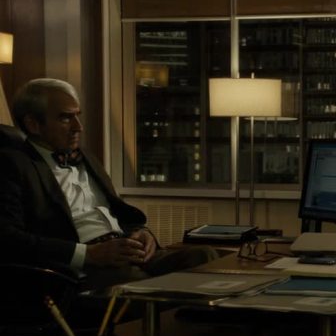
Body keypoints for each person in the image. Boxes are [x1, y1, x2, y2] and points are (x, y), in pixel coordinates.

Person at [0, 78, 216, 319]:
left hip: (125, 250)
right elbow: (7, 238)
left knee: (204, 257)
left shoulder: (85, 157)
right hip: (83, 269)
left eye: (77, 116)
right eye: (65, 118)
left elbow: (117, 213)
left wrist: (142, 233)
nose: (78, 127)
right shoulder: (12, 164)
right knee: (140, 284)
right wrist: (88, 254)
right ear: (33, 124)